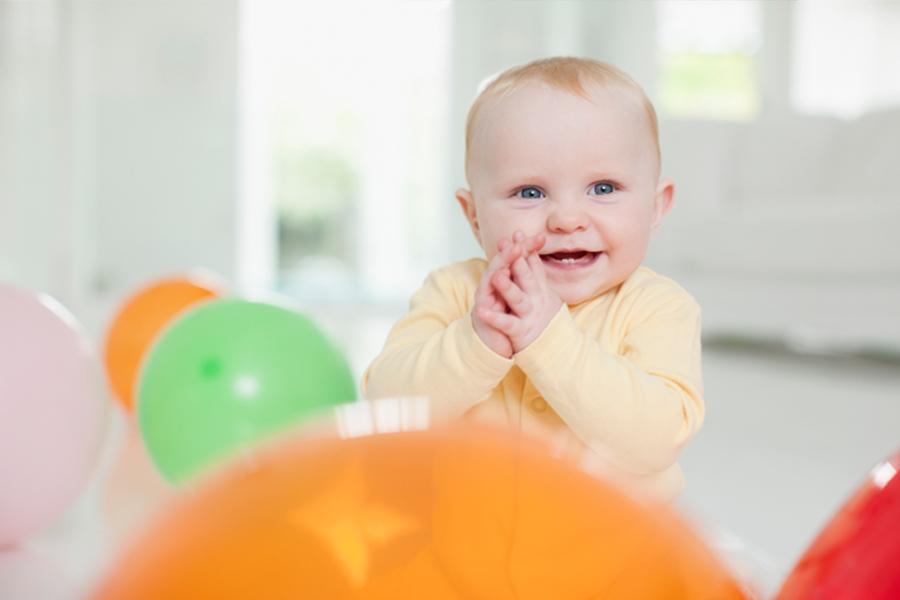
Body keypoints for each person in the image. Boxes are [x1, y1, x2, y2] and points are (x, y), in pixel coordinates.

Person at [361, 57, 703, 503]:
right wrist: (476, 343)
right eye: (529, 192)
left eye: (603, 188)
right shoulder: (454, 292)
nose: (566, 219)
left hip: (609, 561)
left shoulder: (658, 308)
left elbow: (656, 441)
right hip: (460, 552)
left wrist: (550, 339)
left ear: (655, 208)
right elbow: (388, 410)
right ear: (475, 217)